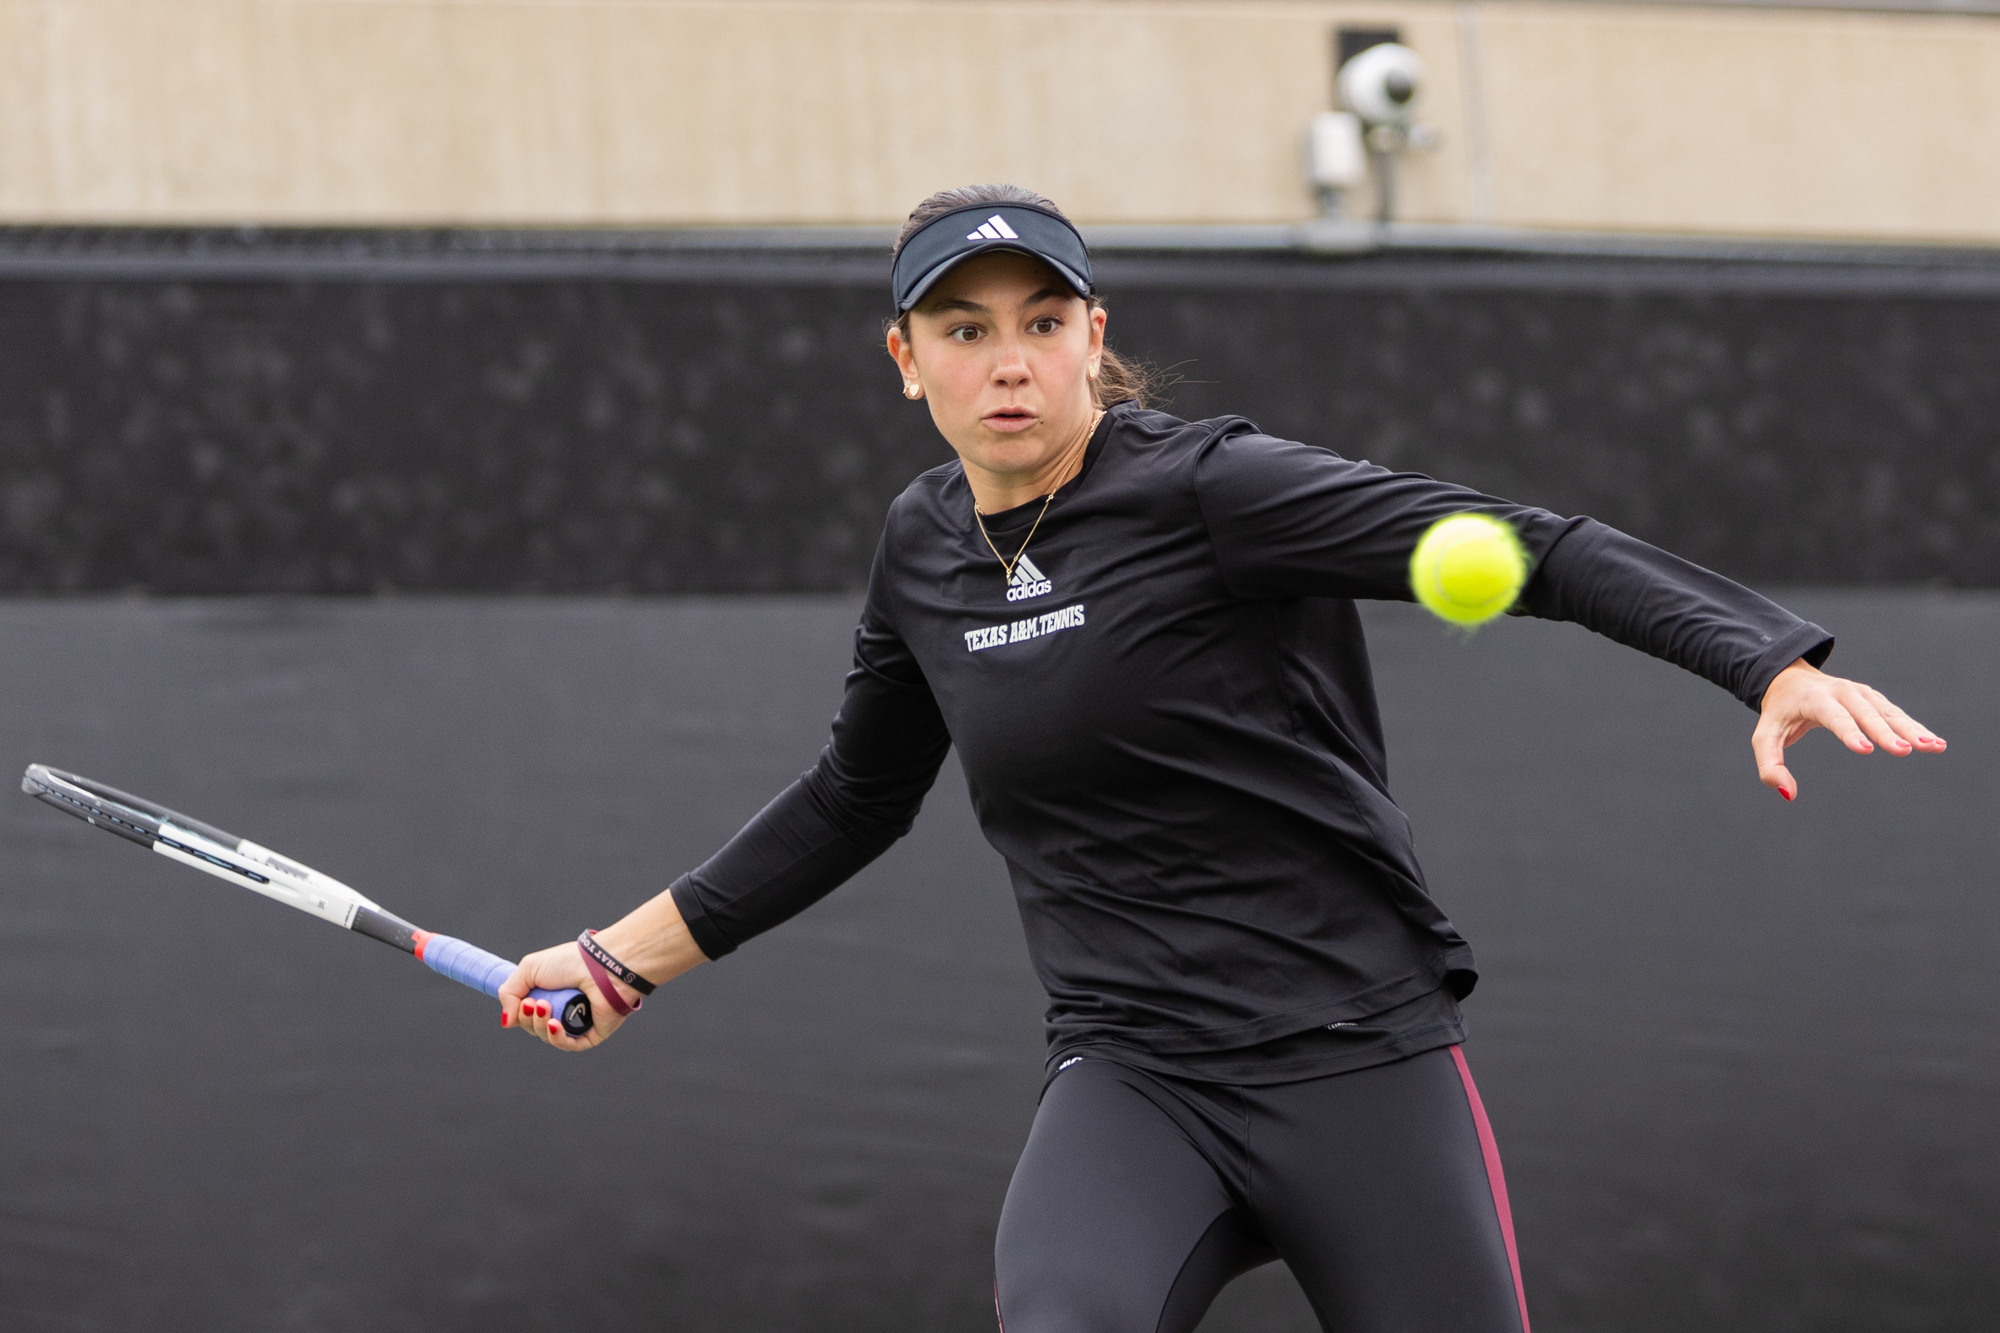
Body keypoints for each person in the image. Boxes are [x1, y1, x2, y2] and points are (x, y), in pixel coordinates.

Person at [498, 184, 1945, 1333]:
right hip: (1134, 1070)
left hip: (1358, 1054)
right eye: (962, 327)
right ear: (906, 360)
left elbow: (1536, 549)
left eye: (1042, 319)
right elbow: (855, 792)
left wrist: (1767, 659)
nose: (1008, 358)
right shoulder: (922, 547)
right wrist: (620, 960)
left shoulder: (1213, 490)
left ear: (1091, 332)